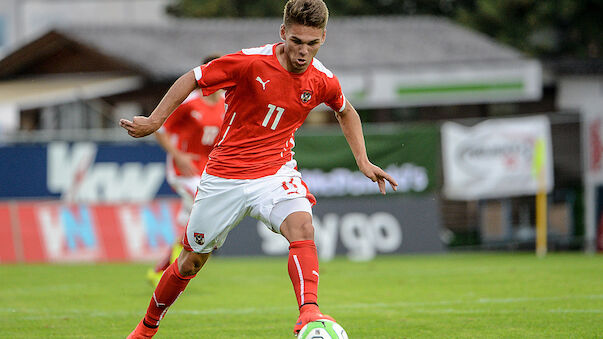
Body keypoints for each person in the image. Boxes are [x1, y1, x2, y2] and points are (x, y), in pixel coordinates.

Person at [120, 0, 398, 337]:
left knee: (303, 227)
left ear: (323, 37)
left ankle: (309, 313)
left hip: (275, 172)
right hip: (225, 177)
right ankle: (147, 328)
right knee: (190, 262)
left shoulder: (322, 79)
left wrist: (363, 161)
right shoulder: (250, 62)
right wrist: (154, 120)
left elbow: (346, 110)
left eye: (312, 43)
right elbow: (192, 78)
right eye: (296, 41)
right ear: (283, 33)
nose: (303, 52)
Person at [146, 54, 225, 287]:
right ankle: (171, 272)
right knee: (202, 209)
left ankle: (160, 271)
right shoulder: (189, 102)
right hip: (185, 169)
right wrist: (178, 155)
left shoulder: (226, 103)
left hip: (208, 169)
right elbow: (160, 129)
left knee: (194, 222)